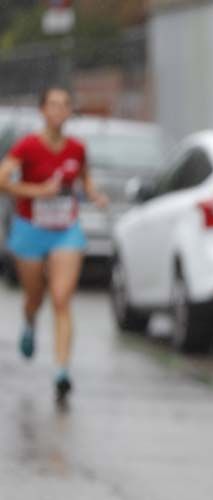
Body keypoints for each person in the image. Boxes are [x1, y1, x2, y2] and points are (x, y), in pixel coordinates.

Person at [0, 86, 108, 404]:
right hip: (30, 229)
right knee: (35, 297)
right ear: (42, 110)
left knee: (62, 298)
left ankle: (62, 371)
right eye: (53, 104)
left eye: (65, 105)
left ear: (70, 111)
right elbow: (2, 180)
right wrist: (38, 192)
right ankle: (30, 322)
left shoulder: (77, 148)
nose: (59, 110)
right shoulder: (27, 146)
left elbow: (84, 177)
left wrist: (94, 194)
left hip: (66, 230)